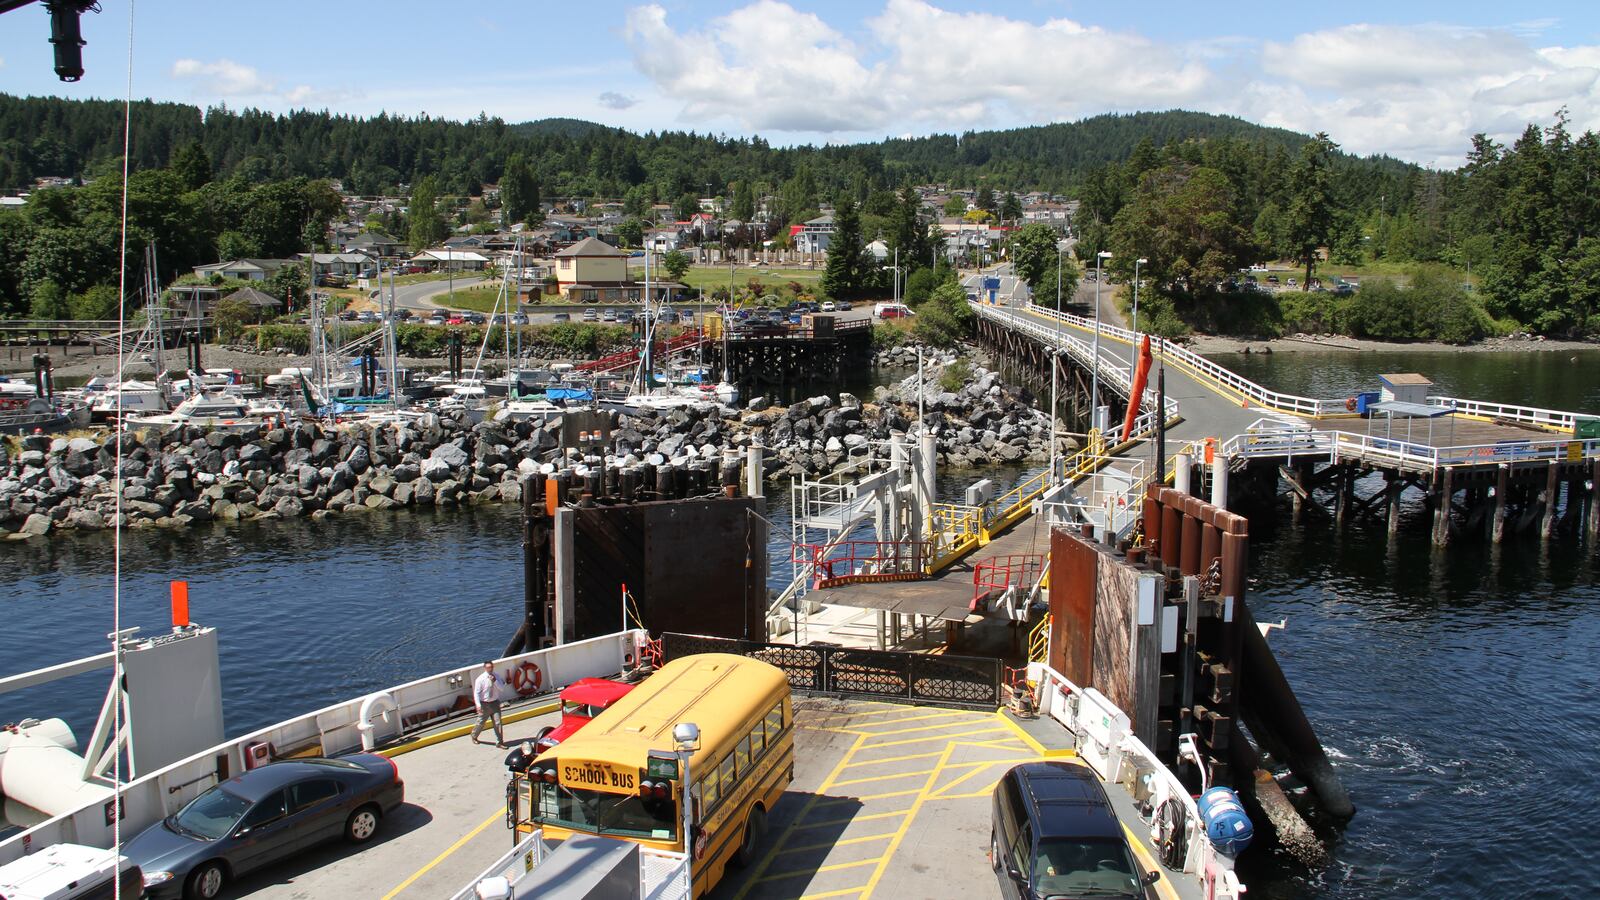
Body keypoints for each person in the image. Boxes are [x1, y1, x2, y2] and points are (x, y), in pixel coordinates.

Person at [472, 660, 507, 747]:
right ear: (485, 668)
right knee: (481, 722)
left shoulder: (497, 676)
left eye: (491, 667)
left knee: (497, 723)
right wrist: (478, 705)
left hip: (495, 703)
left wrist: (495, 681)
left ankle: (500, 742)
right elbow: (476, 693)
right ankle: (474, 736)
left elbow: (502, 689)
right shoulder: (480, 679)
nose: (490, 669)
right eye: (488, 668)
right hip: (485, 704)